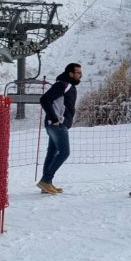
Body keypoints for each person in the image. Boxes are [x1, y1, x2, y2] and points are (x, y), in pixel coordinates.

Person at [38, 62, 82, 194]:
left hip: (56, 124)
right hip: (57, 124)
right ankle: (46, 181)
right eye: (78, 73)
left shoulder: (67, 85)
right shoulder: (63, 85)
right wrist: (55, 118)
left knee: (52, 152)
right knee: (64, 152)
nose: (81, 75)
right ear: (71, 74)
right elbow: (44, 99)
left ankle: (46, 184)